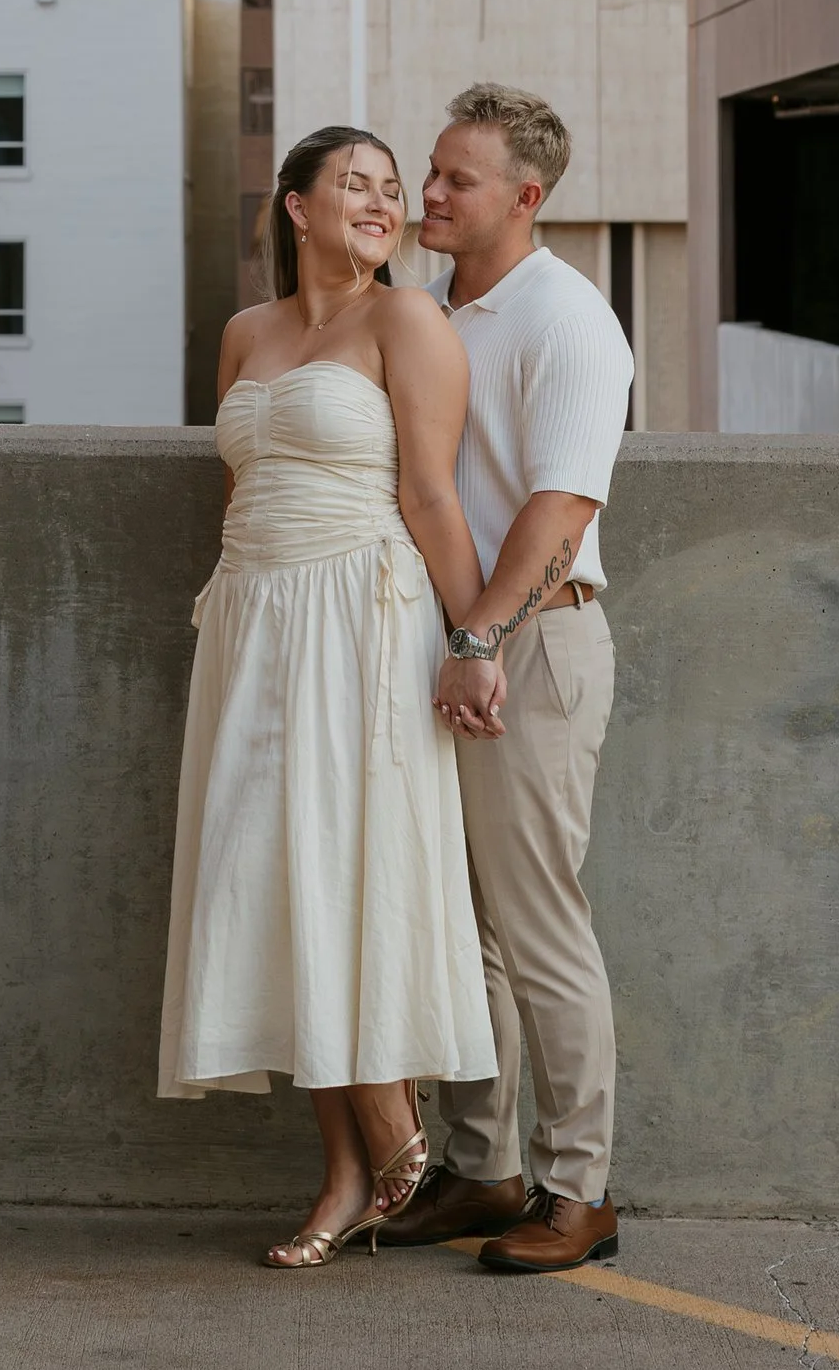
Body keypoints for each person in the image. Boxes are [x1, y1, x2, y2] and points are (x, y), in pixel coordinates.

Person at [157, 124, 497, 1267]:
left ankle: (386, 1136)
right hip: (251, 616)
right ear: (294, 206)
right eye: (353, 183)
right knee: (269, 879)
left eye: (390, 189)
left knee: (351, 864)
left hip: (363, 613)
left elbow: (435, 497)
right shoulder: (246, 333)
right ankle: (347, 1172)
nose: (380, 201)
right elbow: (241, 478)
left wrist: (474, 638)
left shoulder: (410, 319)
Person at [379, 83, 635, 1277]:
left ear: (524, 198)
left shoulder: (566, 319)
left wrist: (481, 637)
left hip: (529, 644)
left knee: (538, 930)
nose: (427, 193)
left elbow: (561, 506)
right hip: (451, 645)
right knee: (464, 931)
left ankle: (579, 1191)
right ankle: (482, 1172)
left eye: (454, 180)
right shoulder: (434, 310)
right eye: (427, 171)